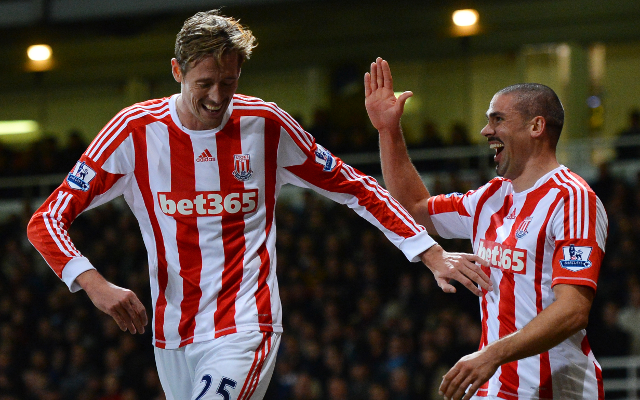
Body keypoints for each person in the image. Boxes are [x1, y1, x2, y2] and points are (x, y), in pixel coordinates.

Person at [26, 12, 491, 400]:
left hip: (246, 324)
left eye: (228, 82)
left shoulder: (265, 125)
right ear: (176, 71)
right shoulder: (133, 133)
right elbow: (46, 220)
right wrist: (93, 284)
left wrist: (431, 253)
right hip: (171, 334)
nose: (216, 97)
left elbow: (356, 187)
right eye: (204, 83)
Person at [364, 58, 608, 400]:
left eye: (497, 119)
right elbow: (415, 210)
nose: (486, 131)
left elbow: (573, 311)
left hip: (555, 388)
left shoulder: (573, 198)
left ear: (536, 126)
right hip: (494, 386)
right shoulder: (490, 196)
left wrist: (491, 354)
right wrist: (388, 130)